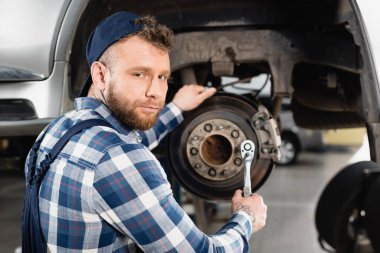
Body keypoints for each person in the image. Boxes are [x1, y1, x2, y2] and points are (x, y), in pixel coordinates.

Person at [25, 11, 267, 252]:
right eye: (139, 74)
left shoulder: (58, 131)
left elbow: (129, 144)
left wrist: (177, 108)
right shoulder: (117, 159)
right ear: (100, 75)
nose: (156, 91)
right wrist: (245, 218)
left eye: (162, 77)